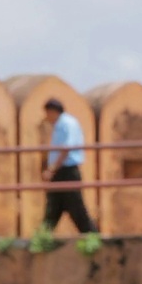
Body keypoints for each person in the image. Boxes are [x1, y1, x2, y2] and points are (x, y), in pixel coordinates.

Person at [40, 98, 98, 233]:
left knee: (77, 209)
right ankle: (42, 239)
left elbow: (67, 148)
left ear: (52, 111)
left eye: (47, 113)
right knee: (53, 208)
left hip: (67, 171)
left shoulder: (66, 123)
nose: (47, 117)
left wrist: (51, 169)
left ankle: (93, 239)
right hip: (60, 172)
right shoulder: (61, 124)